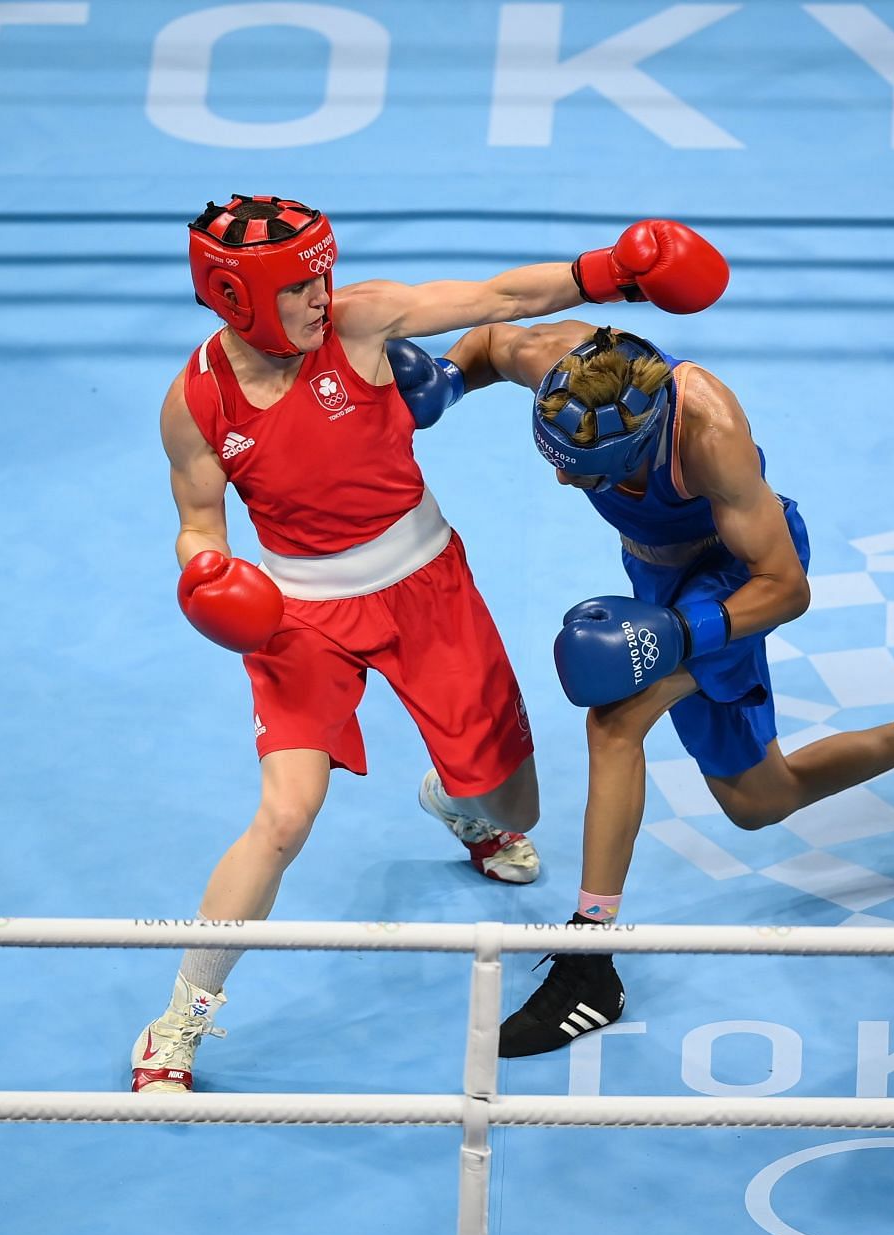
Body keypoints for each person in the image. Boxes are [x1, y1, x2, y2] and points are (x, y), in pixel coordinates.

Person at [132, 196, 730, 1092]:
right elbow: (197, 519)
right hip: (298, 616)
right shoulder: (195, 404)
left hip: (427, 589)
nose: (321, 297)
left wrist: (608, 271)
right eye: (300, 286)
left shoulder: (361, 321)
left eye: (323, 276)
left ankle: (456, 804)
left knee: (514, 809)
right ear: (238, 295)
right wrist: (206, 572)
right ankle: (179, 1019)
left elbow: (496, 299)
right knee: (286, 816)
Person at [433, 321, 894, 1057]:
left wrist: (680, 638)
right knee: (761, 800)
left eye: (583, 472)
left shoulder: (711, 434)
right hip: (657, 578)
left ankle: (589, 961)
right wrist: (443, 380)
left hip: (734, 581)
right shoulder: (566, 377)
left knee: (614, 722)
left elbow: (787, 588)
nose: (563, 481)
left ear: (640, 448)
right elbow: (491, 338)